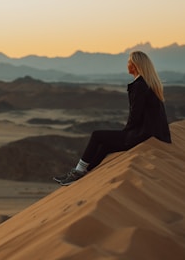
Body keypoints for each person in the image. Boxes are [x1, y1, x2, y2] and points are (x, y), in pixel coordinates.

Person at [54, 50, 171, 186]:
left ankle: (78, 172)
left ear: (135, 65)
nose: (127, 64)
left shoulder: (140, 85)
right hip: (150, 133)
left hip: (143, 135)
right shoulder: (149, 84)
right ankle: (83, 173)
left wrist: (127, 132)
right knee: (105, 145)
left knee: (97, 135)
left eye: (129, 62)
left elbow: (135, 114)